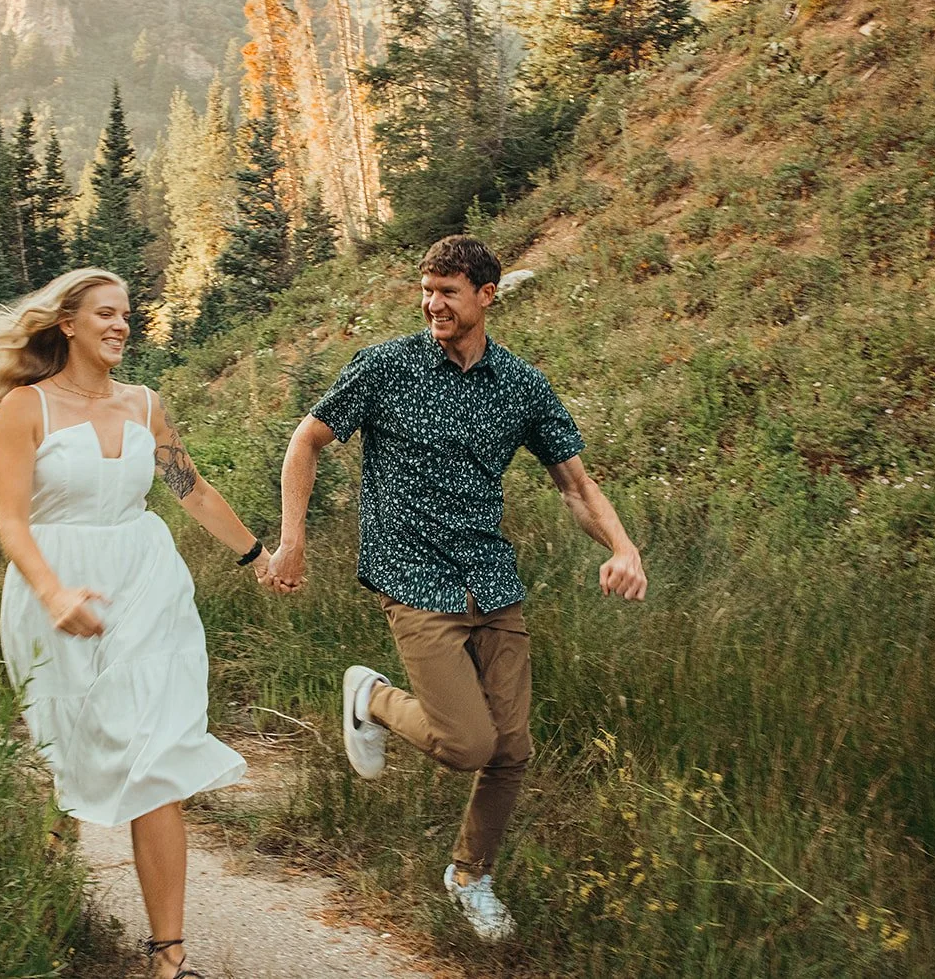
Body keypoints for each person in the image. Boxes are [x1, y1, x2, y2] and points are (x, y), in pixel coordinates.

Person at [264, 236, 648, 941]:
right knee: (468, 742)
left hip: (490, 579)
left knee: (513, 747)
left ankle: (471, 875)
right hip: (413, 577)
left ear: (486, 296)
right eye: (427, 288)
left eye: (448, 290)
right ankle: (370, 696)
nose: (432, 302)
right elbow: (306, 440)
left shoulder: (523, 386)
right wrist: (293, 538)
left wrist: (622, 545)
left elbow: (576, 484)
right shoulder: (386, 366)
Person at [0, 268, 270, 979]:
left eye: (128, 314)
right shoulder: (25, 408)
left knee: (153, 754)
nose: (122, 325)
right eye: (106, 313)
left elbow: (191, 489)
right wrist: (55, 593)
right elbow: (10, 523)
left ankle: (170, 955)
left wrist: (257, 554)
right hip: (54, 592)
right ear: (68, 323)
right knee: (63, 758)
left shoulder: (145, 404)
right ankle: (51, 924)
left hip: (146, 584)